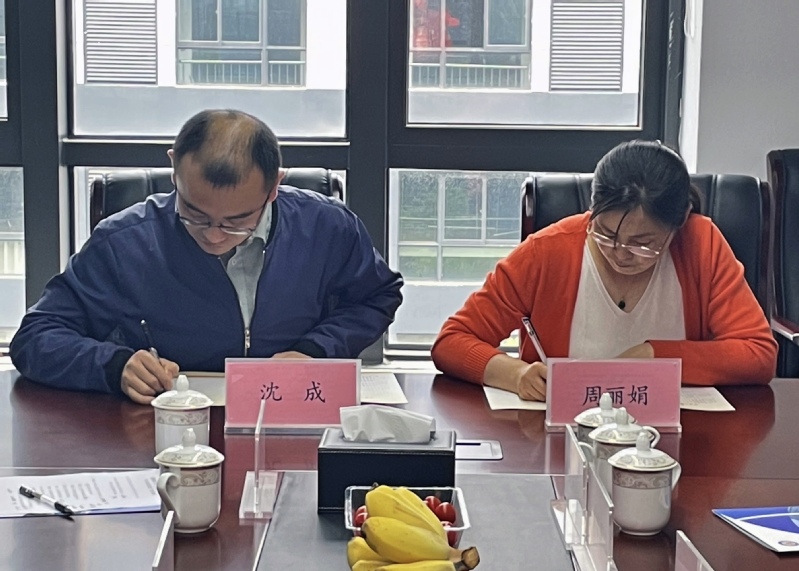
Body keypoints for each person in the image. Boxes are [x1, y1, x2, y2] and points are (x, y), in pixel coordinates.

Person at [10, 110, 404, 403]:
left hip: (291, 413)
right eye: (195, 214)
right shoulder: (123, 242)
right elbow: (35, 338)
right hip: (164, 423)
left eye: (237, 221)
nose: (214, 236)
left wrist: (315, 351)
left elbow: (377, 296)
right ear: (174, 168)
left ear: (274, 187)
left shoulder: (327, 227)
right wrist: (114, 366)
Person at [431, 140, 777, 400]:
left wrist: (656, 356)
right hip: (561, 441)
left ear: (680, 221)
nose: (620, 254)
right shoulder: (547, 251)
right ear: (592, 209)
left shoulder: (701, 244)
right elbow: (452, 342)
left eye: (643, 243)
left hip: (679, 442)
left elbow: (758, 354)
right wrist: (516, 375)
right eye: (606, 234)